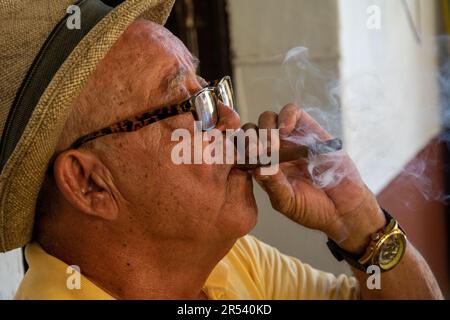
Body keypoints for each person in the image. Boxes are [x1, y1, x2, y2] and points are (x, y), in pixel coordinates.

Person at [0, 0, 443, 300]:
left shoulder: (228, 262)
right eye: (190, 106)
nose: (232, 122)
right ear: (90, 183)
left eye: (212, 92)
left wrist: (360, 225)